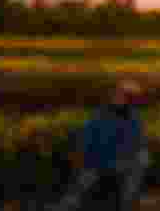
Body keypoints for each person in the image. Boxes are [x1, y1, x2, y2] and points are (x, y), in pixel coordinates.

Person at [58, 79, 149, 211]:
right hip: (97, 162)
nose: (126, 100)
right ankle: (70, 201)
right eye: (124, 96)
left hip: (117, 163)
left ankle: (127, 202)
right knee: (81, 184)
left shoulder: (133, 118)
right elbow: (88, 140)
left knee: (140, 160)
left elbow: (136, 144)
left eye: (130, 97)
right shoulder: (101, 115)